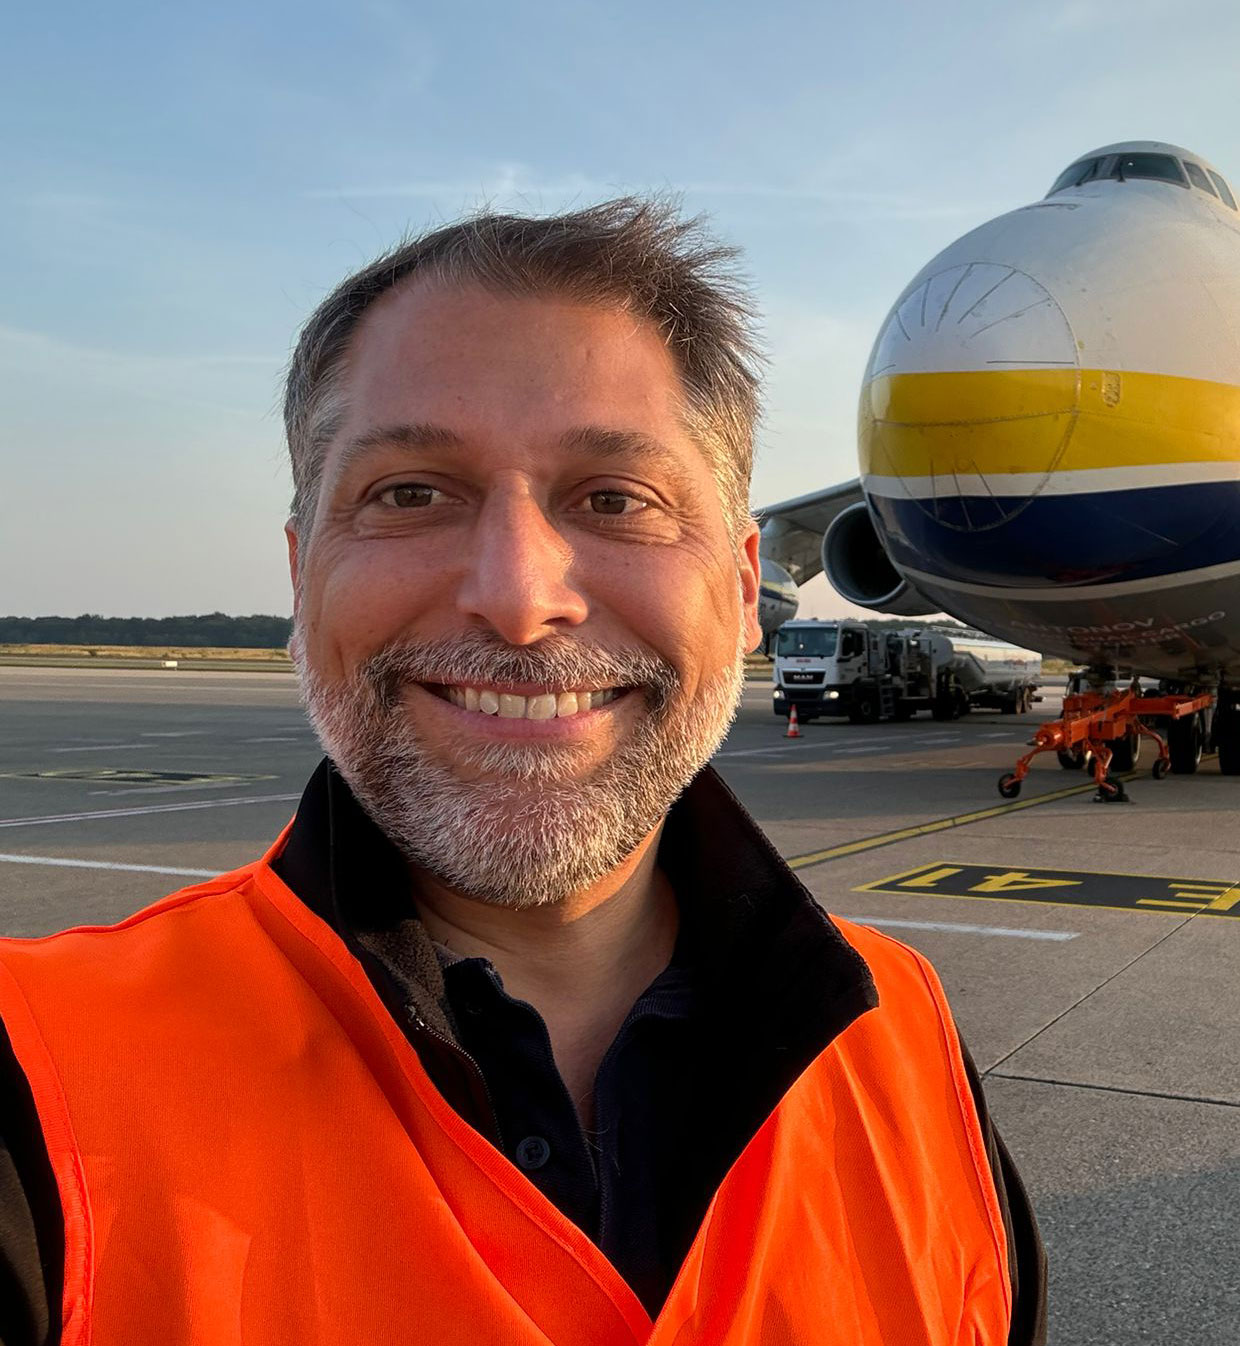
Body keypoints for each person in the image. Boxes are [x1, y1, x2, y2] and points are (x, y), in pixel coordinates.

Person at [0, 200, 1045, 1344]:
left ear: (746, 588)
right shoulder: (36, 1070)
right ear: (301, 577)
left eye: (615, 499)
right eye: (409, 492)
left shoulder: (902, 1040)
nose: (516, 590)